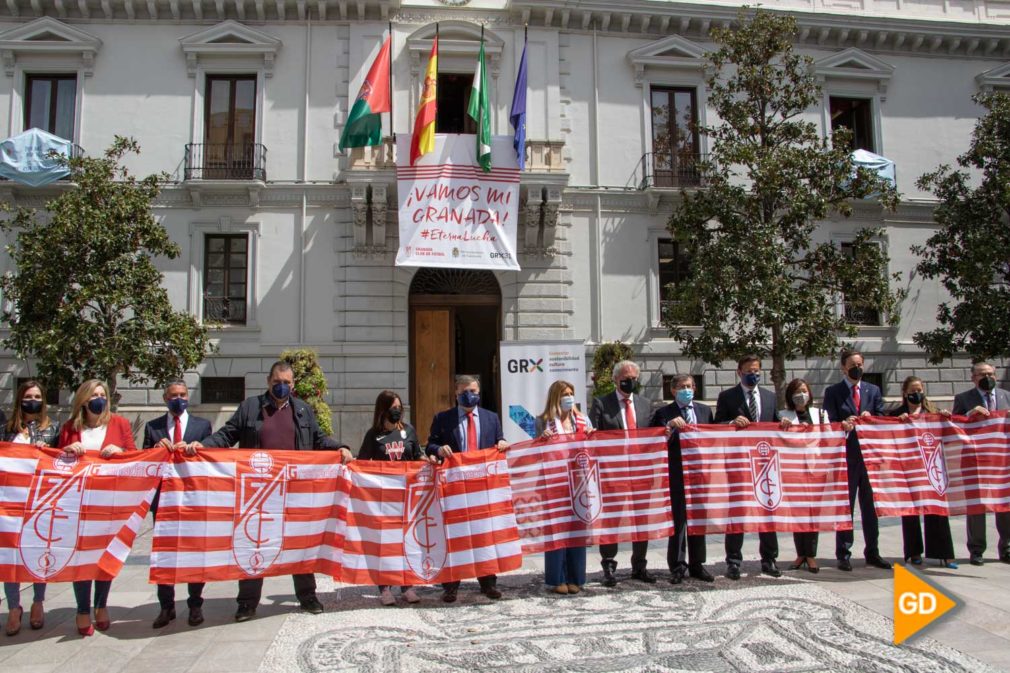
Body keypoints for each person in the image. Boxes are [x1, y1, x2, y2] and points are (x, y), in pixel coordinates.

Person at [194, 361, 353, 622]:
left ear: (293, 385)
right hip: (258, 493)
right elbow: (227, 434)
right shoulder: (250, 407)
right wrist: (202, 446)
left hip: (295, 491)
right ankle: (247, 602)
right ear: (269, 381)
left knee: (301, 543)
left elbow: (318, 439)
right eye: (277, 381)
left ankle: (307, 596)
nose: (282, 386)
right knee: (254, 544)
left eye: (287, 383)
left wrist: (340, 447)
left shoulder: (302, 410)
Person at [59, 379, 137, 636]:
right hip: (79, 502)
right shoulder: (70, 427)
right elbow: (57, 462)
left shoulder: (119, 424)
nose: (99, 399)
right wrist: (67, 450)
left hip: (109, 501)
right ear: (83, 399)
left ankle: (101, 605)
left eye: (103, 394)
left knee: (105, 555)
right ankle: (83, 609)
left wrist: (121, 450)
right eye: (94, 395)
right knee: (81, 556)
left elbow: (134, 456)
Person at [425, 374, 509, 603]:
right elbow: (429, 445)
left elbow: (499, 442)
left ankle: (488, 582)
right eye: (463, 391)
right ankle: (451, 585)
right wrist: (439, 449)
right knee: (455, 535)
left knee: (485, 534)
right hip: (454, 489)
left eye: (472, 390)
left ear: (479, 393)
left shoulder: (491, 418)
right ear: (455, 393)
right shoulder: (443, 418)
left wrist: (501, 444)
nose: (468, 395)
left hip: (483, 488)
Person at [143, 379, 213, 628]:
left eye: (183, 395)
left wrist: (197, 448)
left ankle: (195, 605)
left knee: (195, 552)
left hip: (193, 499)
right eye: (174, 395)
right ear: (165, 398)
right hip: (164, 501)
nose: (179, 399)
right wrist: (154, 449)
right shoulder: (153, 428)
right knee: (165, 554)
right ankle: (167, 607)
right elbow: (144, 463)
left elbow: (210, 460)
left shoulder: (201, 426)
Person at [822, 349, 892, 571]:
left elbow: (882, 418)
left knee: (870, 508)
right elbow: (829, 421)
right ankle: (843, 553)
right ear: (843, 367)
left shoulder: (873, 390)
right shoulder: (833, 391)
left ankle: (873, 551)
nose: (858, 368)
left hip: (870, 458)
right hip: (846, 457)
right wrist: (843, 424)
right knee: (846, 507)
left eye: (860, 364)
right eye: (853, 364)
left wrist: (872, 419)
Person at [588, 360, 656, 586]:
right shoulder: (601, 403)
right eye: (626, 378)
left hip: (640, 472)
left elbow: (654, 435)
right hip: (613, 473)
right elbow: (593, 437)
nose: (631, 382)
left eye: (634, 379)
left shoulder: (645, 403)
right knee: (612, 521)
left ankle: (640, 566)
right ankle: (609, 565)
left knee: (641, 520)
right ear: (617, 379)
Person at [714, 355, 781, 579]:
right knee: (738, 512)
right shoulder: (727, 396)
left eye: (757, 370)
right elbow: (716, 425)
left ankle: (769, 558)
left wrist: (786, 424)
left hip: (765, 463)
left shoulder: (770, 397)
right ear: (739, 372)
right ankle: (733, 561)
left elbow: (775, 423)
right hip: (739, 464)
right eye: (749, 370)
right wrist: (731, 424)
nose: (754, 374)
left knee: (767, 511)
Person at [359, 390, 426, 606]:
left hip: (407, 497)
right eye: (393, 408)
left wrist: (430, 461)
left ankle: (407, 585)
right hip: (382, 500)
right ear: (383, 410)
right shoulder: (373, 435)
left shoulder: (409, 431)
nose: (397, 411)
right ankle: (385, 587)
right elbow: (362, 463)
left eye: (399, 408)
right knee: (385, 543)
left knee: (406, 541)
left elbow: (417, 455)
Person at [3, 380, 57, 635]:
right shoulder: (6, 429)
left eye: (37, 396)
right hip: (10, 503)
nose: (32, 400)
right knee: (10, 555)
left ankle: (38, 601)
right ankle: (14, 606)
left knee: (38, 553)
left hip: (40, 502)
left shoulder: (51, 429)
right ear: (20, 399)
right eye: (28, 396)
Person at [650, 373, 715, 584]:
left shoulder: (705, 411)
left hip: (700, 475)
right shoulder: (663, 413)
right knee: (678, 522)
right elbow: (654, 441)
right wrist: (668, 428)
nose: (687, 389)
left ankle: (698, 564)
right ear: (673, 390)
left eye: (690, 386)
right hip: (676, 474)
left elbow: (714, 438)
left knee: (698, 520)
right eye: (682, 387)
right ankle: (677, 566)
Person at [889, 376, 957, 569]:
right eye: (913, 390)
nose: (917, 393)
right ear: (905, 392)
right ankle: (913, 552)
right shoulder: (897, 413)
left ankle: (944, 554)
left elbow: (949, 435)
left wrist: (946, 418)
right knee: (910, 511)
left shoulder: (933, 412)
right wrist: (897, 422)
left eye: (919, 389)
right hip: (908, 467)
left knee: (937, 508)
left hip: (931, 466)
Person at [535, 380, 594, 595]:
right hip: (553, 482)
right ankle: (556, 578)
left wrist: (591, 435)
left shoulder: (582, 420)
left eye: (571, 393)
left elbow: (592, 448)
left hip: (579, 481)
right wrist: (542, 440)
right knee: (556, 530)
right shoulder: (543, 421)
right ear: (555, 398)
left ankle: (576, 577)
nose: (569, 397)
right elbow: (533, 450)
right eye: (564, 394)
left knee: (577, 529)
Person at [952, 362, 1010, 565]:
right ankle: (976, 549)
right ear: (973, 378)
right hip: (975, 461)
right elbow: (954, 426)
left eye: (991, 373)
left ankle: (1007, 547)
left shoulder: (1006, 396)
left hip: (1001, 461)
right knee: (976, 506)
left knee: (1004, 504)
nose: (987, 377)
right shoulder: (963, 398)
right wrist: (969, 415)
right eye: (982, 374)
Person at [778, 378, 830, 574]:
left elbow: (830, 438)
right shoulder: (783, 415)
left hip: (816, 467)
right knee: (798, 511)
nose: (801, 395)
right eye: (797, 391)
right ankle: (801, 553)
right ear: (791, 396)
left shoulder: (821, 414)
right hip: (793, 470)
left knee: (812, 512)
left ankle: (811, 554)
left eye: (804, 391)